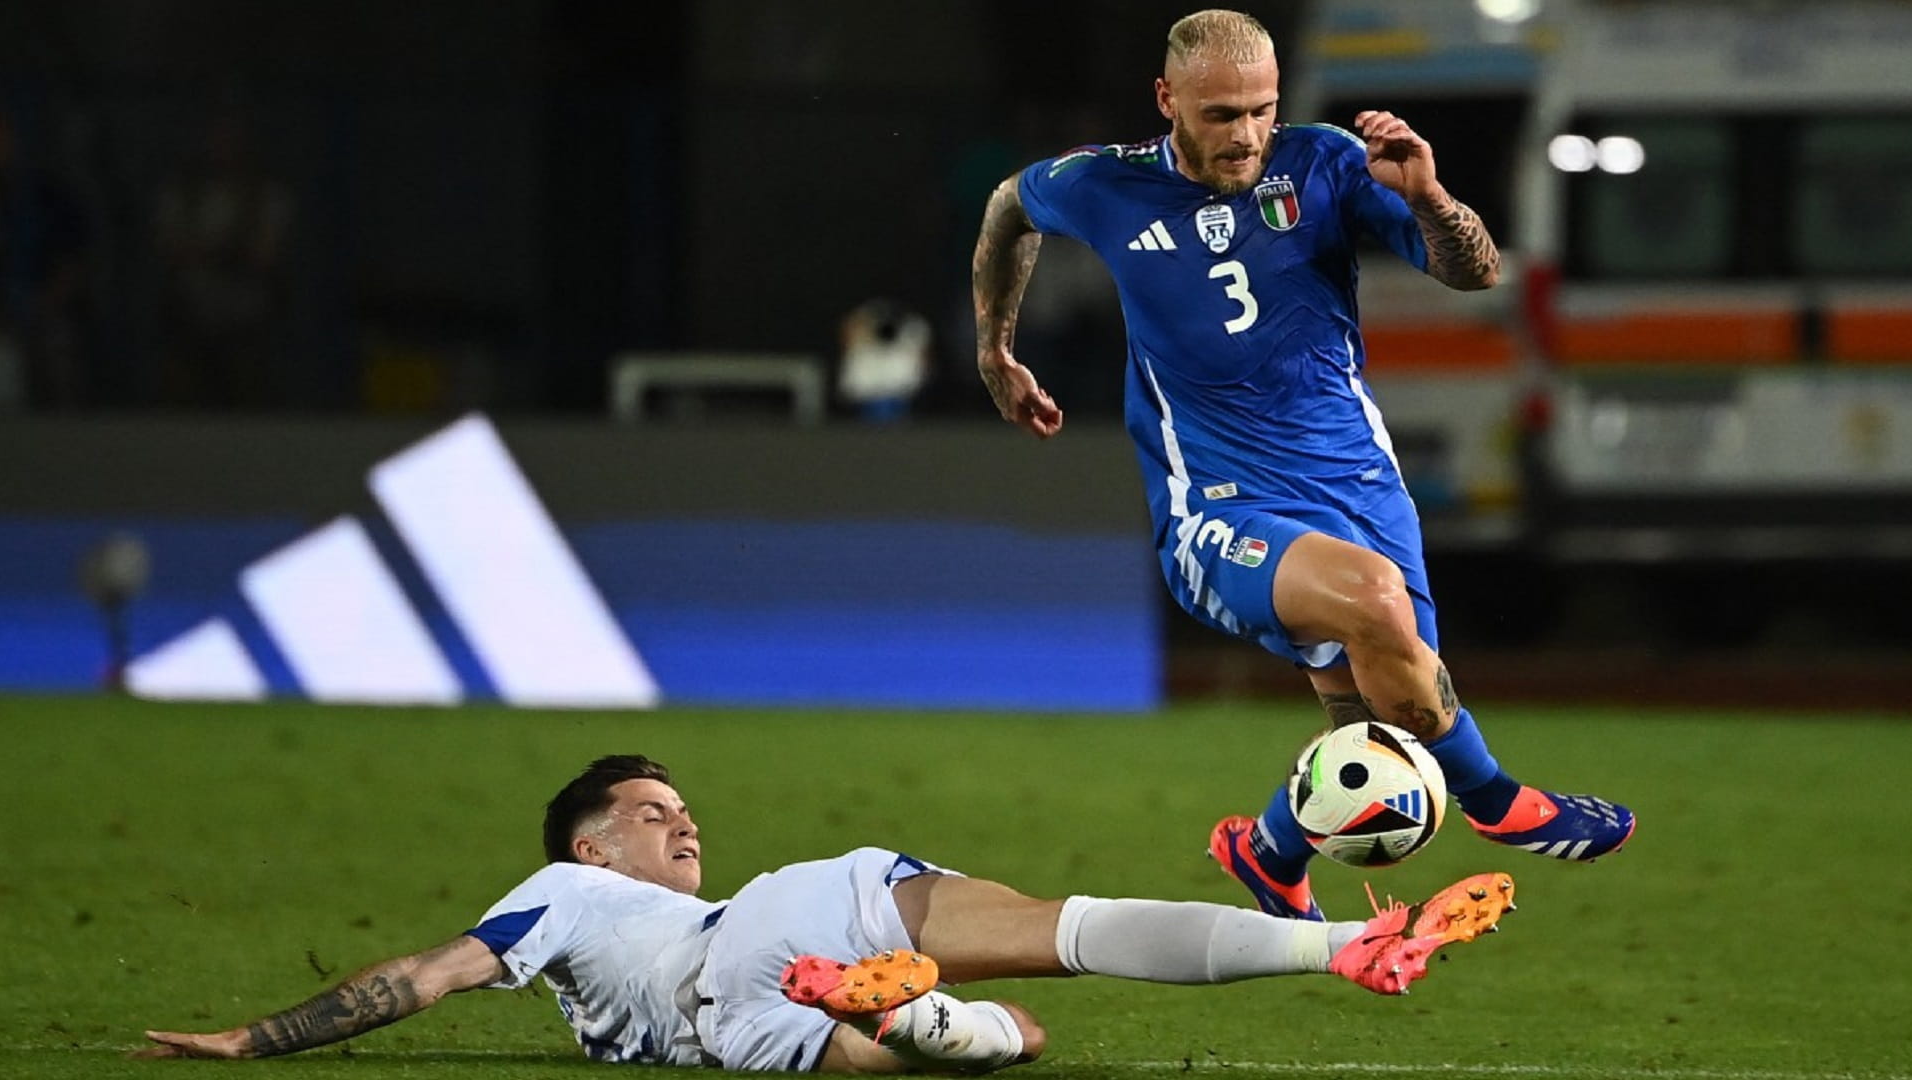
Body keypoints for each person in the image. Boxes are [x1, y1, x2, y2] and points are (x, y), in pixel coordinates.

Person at [970, 9, 1635, 922]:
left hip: (1358, 481)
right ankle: (1501, 805)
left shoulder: (1322, 162)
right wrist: (994, 348)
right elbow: (1009, 207)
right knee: (1372, 605)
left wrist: (1429, 197)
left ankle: (1271, 851)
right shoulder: (1103, 185)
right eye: (1219, 115)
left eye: (1260, 111)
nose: (1244, 135)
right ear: (1167, 100)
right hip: (1217, 506)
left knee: (1385, 715)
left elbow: (1474, 272)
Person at [139, 754, 1517, 1073]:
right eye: (647, 807)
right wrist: (260, 1039)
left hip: (763, 967)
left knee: (1024, 1003)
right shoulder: (559, 893)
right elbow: (428, 975)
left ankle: (1351, 945)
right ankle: (1337, 943)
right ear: (583, 837)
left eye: (682, 806)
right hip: (759, 960)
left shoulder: (709, 892)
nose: (677, 817)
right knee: (1045, 963)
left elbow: (436, 984)